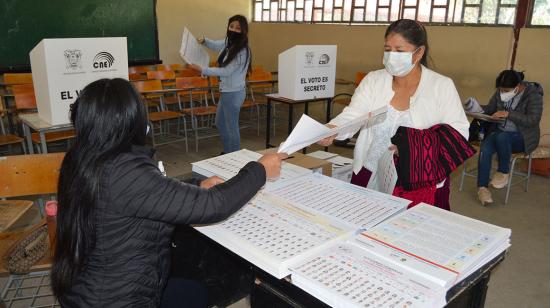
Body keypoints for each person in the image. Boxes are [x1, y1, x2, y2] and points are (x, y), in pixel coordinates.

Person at [50, 78, 285, 307]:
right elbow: (216, 205)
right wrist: (260, 170)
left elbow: (143, 196)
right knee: (199, 293)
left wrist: (195, 187)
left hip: (85, 290)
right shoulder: (123, 169)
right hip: (118, 298)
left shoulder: (81, 157)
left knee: (195, 291)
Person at [318, 19, 471, 210]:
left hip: (421, 182)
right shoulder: (374, 80)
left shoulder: (441, 86)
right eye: (388, 49)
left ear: (419, 52)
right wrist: (334, 129)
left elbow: (459, 133)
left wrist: (411, 148)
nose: (392, 56)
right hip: (371, 170)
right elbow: (354, 114)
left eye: (399, 51)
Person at [476, 70, 543, 205]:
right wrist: (475, 107)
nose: (502, 93)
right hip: (499, 133)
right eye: (500, 90)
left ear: (517, 87)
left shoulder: (533, 95)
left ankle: (503, 171)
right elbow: (489, 110)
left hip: (523, 138)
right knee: (485, 149)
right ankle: (482, 188)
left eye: (506, 90)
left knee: (503, 137)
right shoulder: (500, 93)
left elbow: (533, 120)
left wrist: (508, 114)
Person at [188, 15, 251, 154]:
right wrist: (204, 40)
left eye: (238, 28)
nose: (233, 30)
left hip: (234, 93)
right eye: (231, 26)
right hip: (227, 91)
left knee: (231, 126)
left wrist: (203, 69)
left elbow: (227, 71)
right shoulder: (229, 43)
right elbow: (216, 44)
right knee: (220, 123)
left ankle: (234, 156)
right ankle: (229, 151)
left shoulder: (242, 50)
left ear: (244, 30)